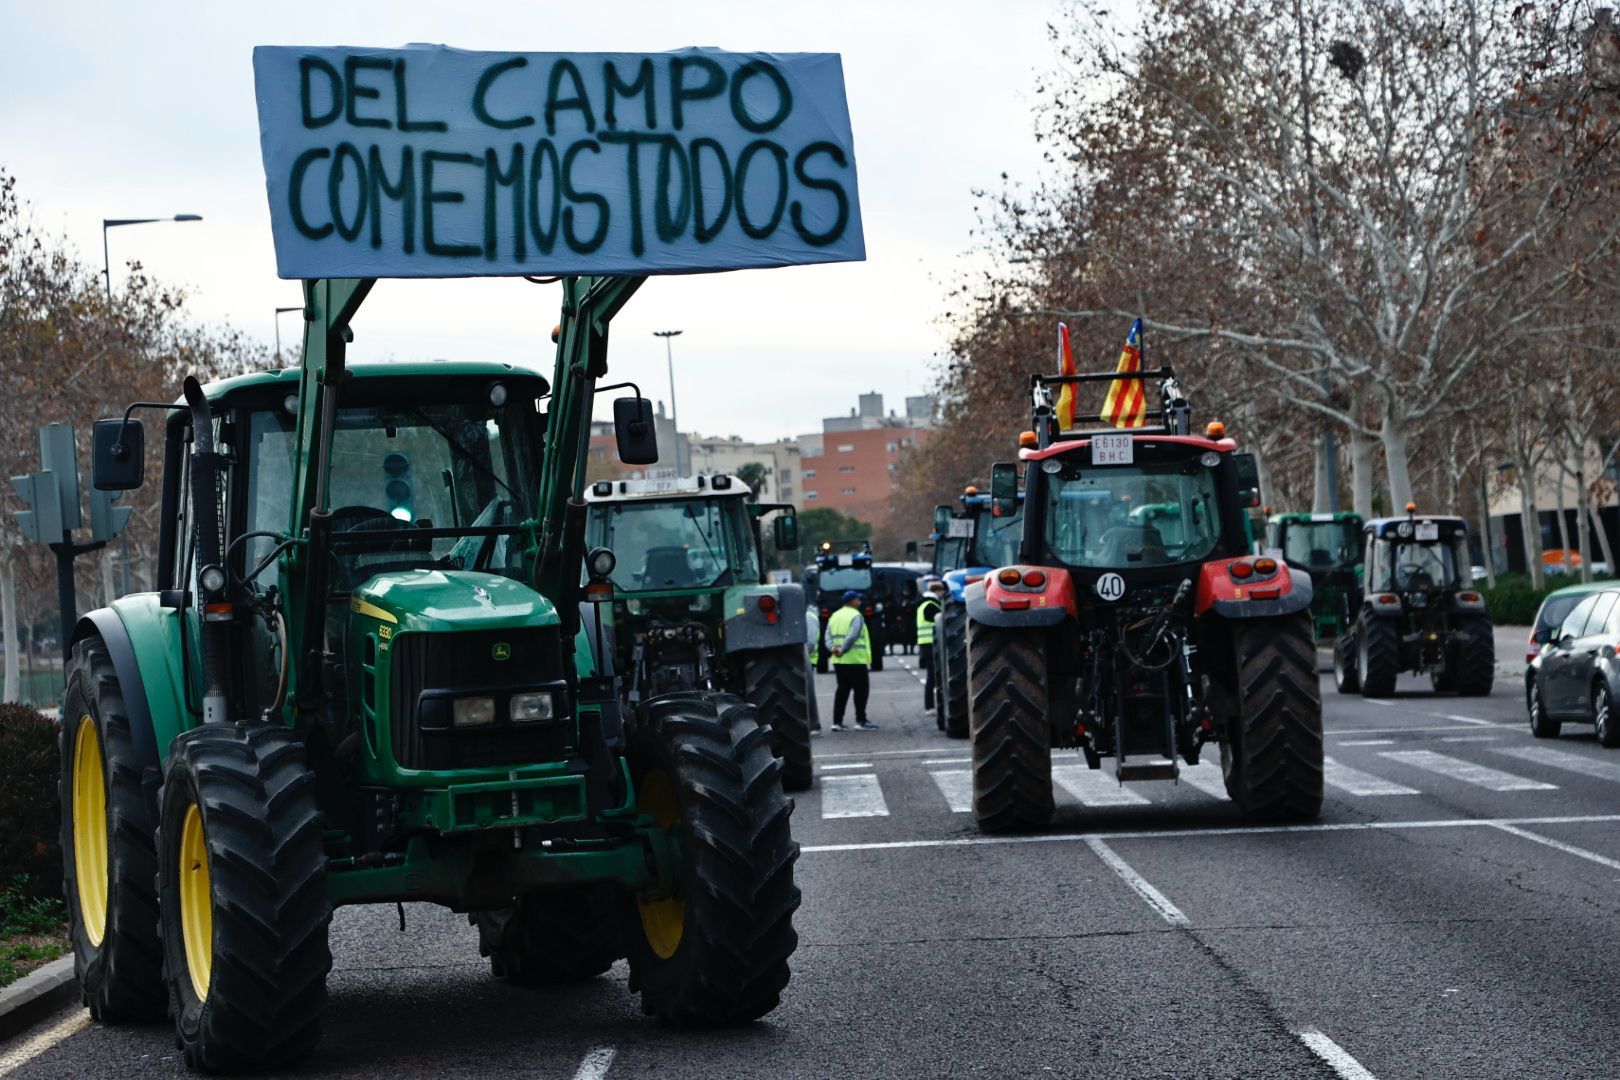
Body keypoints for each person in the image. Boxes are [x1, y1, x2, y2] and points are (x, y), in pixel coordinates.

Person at [827, 590, 877, 731]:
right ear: (852, 601)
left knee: (842, 691)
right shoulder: (856, 616)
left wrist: (833, 649)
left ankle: (837, 722)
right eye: (858, 599)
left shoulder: (835, 616)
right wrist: (842, 649)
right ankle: (860, 720)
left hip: (839, 661)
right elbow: (852, 636)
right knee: (861, 691)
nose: (860, 602)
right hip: (855, 660)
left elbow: (827, 636)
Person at [915, 577, 946, 712]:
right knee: (933, 676)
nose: (943, 595)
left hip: (925, 644)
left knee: (931, 676)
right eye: (942, 592)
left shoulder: (923, 603)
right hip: (931, 644)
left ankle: (930, 706)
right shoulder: (931, 605)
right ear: (937, 591)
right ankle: (930, 706)